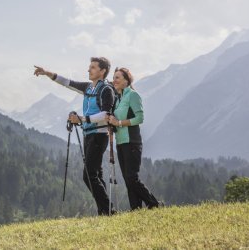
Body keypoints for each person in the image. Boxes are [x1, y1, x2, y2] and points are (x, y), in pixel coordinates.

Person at [34, 57, 116, 215]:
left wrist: (82, 119)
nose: (88, 70)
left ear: (102, 71)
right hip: (88, 134)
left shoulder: (106, 90)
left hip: (99, 135)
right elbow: (67, 82)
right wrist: (46, 73)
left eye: (92, 67)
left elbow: (106, 114)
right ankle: (105, 211)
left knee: (88, 175)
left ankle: (108, 210)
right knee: (96, 174)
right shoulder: (88, 88)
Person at [107, 67, 162, 210]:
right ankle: (136, 210)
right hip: (120, 142)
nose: (114, 80)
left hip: (132, 142)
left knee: (132, 178)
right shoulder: (118, 99)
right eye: (114, 78)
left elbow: (140, 118)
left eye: (117, 77)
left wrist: (118, 123)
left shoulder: (132, 95)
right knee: (128, 179)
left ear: (126, 80)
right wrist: (112, 124)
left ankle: (153, 203)